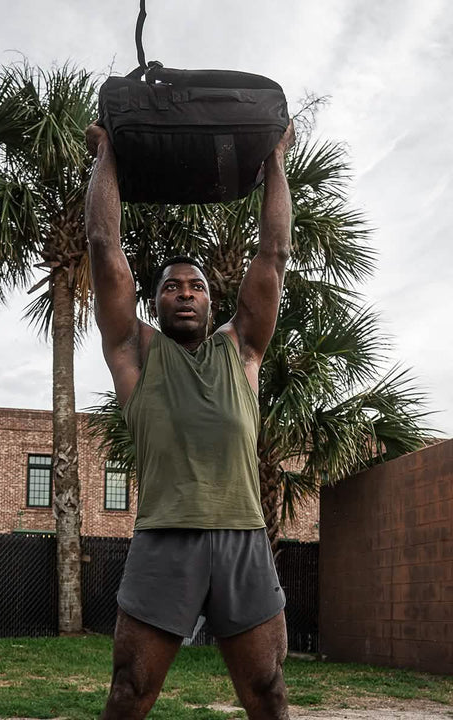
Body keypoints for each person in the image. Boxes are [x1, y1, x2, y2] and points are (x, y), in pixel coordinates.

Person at [85, 119, 295, 720]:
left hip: (243, 539)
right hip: (165, 538)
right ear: (155, 302)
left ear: (211, 299)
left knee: (269, 692)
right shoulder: (135, 352)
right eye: (172, 285)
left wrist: (276, 160)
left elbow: (274, 254)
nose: (184, 291)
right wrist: (109, 155)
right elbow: (105, 247)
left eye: (196, 286)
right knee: (129, 691)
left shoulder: (243, 349)